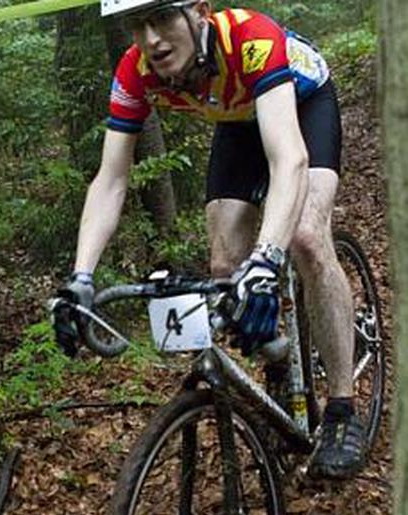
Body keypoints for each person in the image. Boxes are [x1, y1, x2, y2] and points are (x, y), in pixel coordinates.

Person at [56, 0, 364, 479]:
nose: (150, 39)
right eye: (137, 25)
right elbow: (111, 180)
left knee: (304, 238)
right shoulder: (136, 70)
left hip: (300, 105)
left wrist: (267, 257)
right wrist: (80, 278)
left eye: (160, 19)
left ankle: (343, 410)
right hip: (237, 124)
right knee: (224, 269)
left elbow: (289, 161)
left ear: (199, 11)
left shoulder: (252, 38)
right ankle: (280, 360)